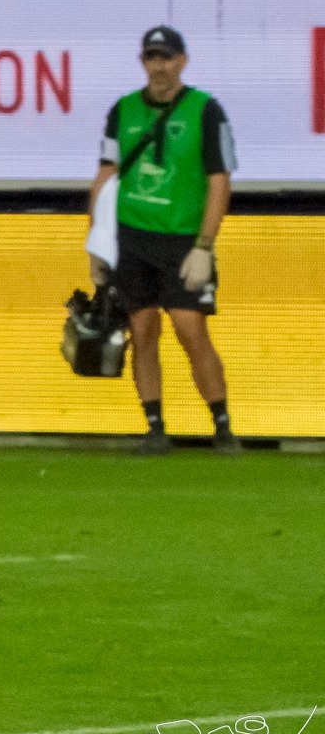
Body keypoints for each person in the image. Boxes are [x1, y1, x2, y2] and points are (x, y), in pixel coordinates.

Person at [88, 25, 239, 456]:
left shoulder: (206, 111)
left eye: (167, 58)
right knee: (143, 328)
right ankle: (154, 426)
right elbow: (105, 176)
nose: (159, 67)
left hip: (181, 239)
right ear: (143, 63)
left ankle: (222, 424)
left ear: (182, 62)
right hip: (132, 236)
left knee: (190, 328)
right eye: (152, 58)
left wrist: (204, 246)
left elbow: (219, 180)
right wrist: (96, 243)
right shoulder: (124, 110)